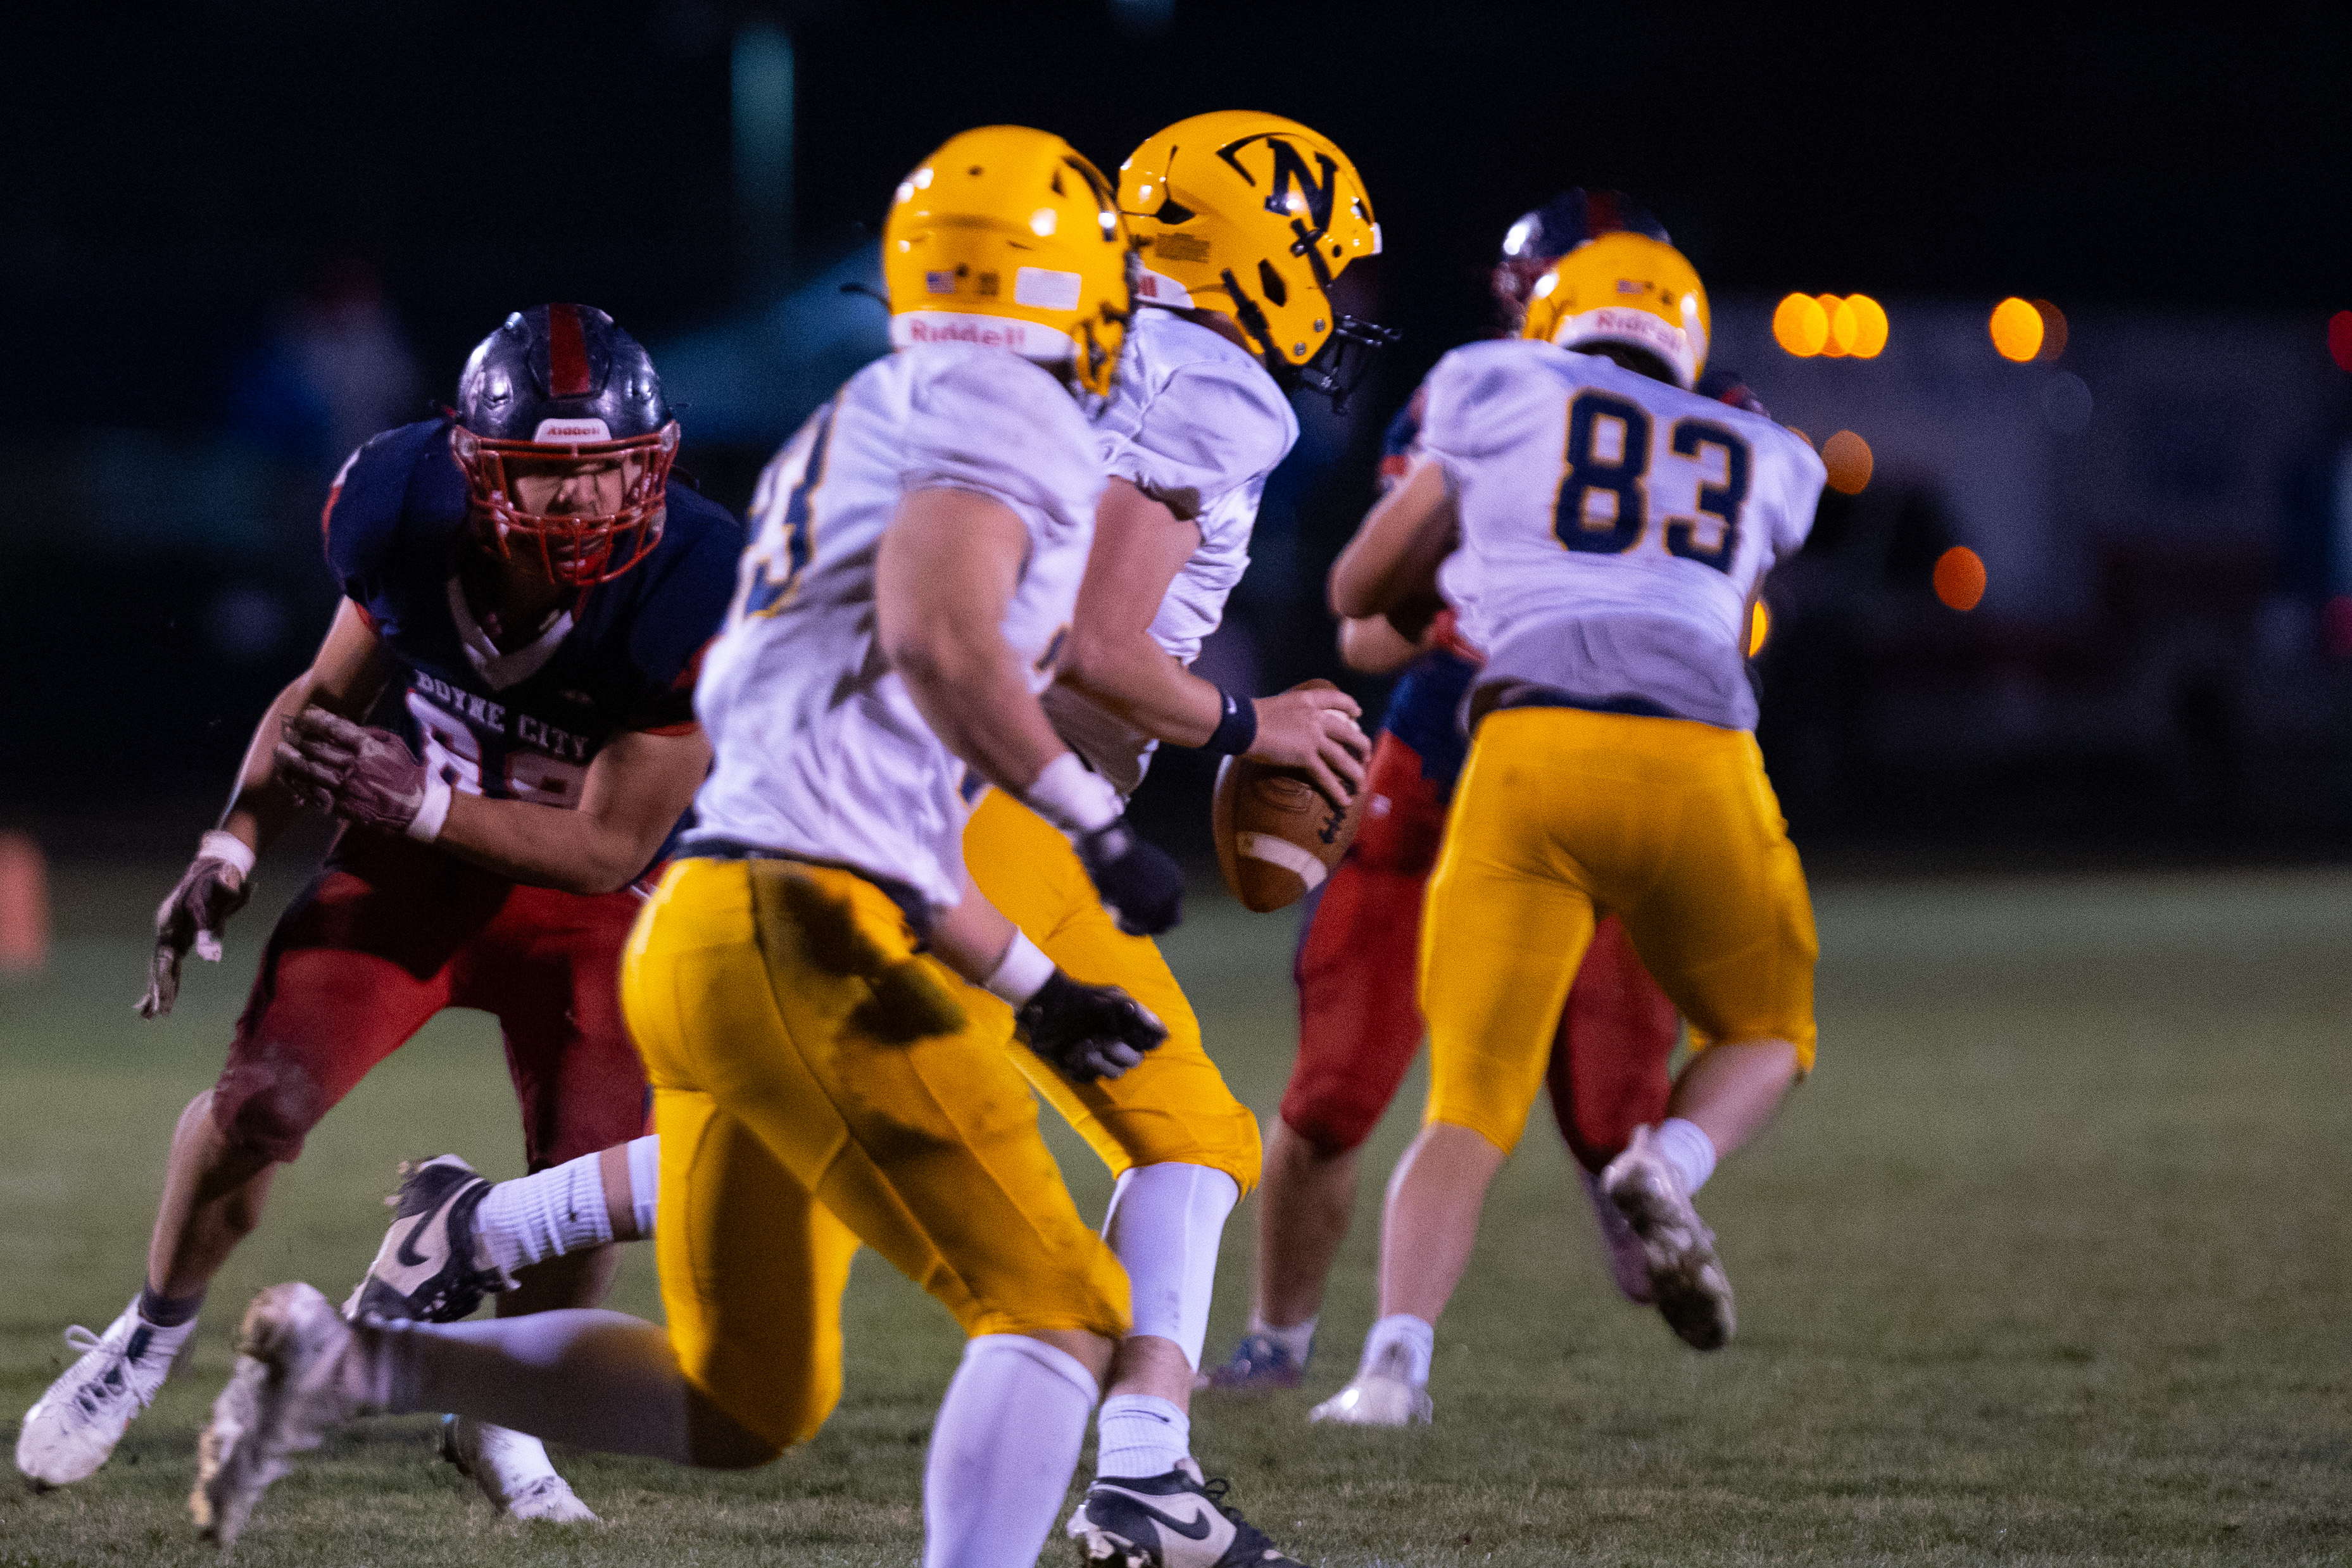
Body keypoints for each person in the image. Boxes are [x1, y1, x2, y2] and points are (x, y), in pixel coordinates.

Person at [336, 109, 1388, 1568]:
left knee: (847, 1155)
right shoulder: (1205, 383)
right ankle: (1145, 1473)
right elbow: (1086, 644)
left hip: (848, 788)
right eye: (1322, 264)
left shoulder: (950, 374)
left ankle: (471, 1241)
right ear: (1261, 256)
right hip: (974, 797)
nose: (1334, 298)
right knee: (1155, 1141)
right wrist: (1243, 724)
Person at [13, 304, 739, 1521]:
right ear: (482, 471)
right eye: (550, 473)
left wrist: (421, 802)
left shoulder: (698, 583)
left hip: (596, 899)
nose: (587, 499)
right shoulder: (402, 509)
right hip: (413, 871)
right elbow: (324, 694)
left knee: (583, 1189)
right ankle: (146, 1339)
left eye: (612, 467)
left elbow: (610, 846)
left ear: (652, 460)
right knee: (259, 1103)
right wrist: (234, 838)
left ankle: (502, 1418)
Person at [1306, 223, 1826, 1425]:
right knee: (1768, 1029)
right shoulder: (1765, 449)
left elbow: (1356, 592)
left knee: (1467, 1101)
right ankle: (1666, 1164)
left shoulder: (1495, 386)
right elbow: (1719, 604)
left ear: (1551, 319)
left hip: (1527, 754)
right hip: (1702, 762)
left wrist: (1460, 545)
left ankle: (1390, 1369)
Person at [1208, 194, 1690, 1395]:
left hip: (1606, 788)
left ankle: (1620, 1178)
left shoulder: (1711, 424)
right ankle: (1277, 1343)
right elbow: (1365, 627)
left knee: (1618, 1119)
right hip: (1440, 772)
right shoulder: (1473, 400)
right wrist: (1474, 612)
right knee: (1334, 1092)